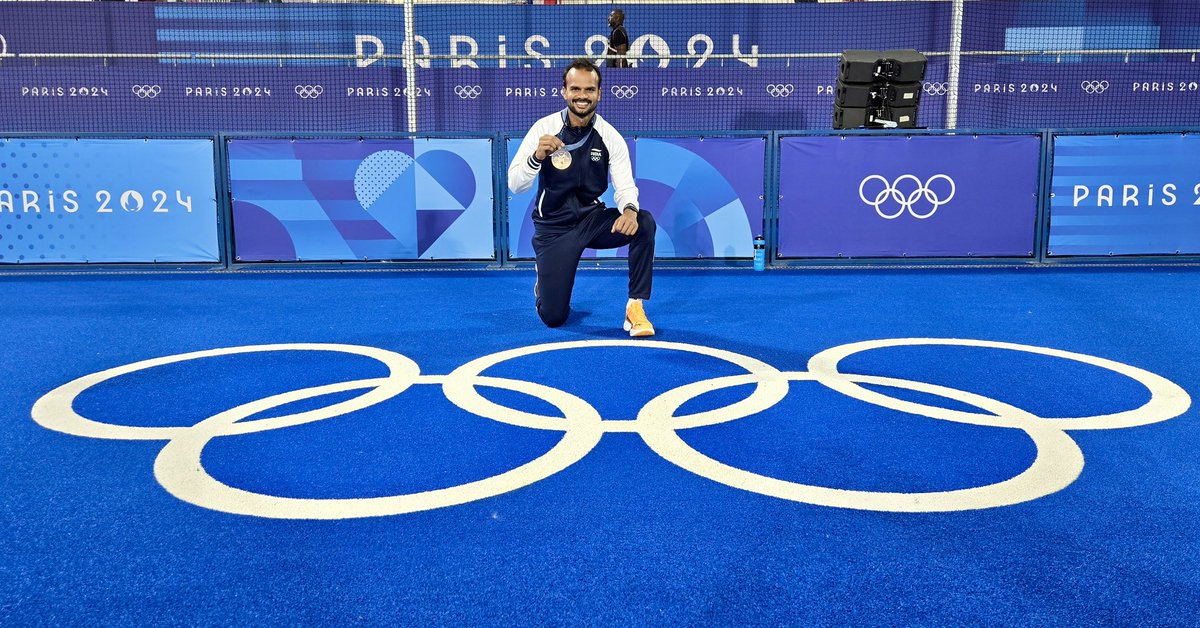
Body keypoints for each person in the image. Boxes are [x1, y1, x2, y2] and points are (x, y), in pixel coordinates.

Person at [507, 58, 656, 336]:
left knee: (643, 222)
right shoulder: (544, 128)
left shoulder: (610, 137)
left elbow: (625, 186)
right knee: (554, 318)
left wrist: (629, 211)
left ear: (599, 93)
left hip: (592, 220)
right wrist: (536, 157)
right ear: (564, 92)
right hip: (554, 228)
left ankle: (635, 306)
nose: (582, 96)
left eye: (590, 90)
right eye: (575, 89)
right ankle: (545, 281)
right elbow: (515, 185)